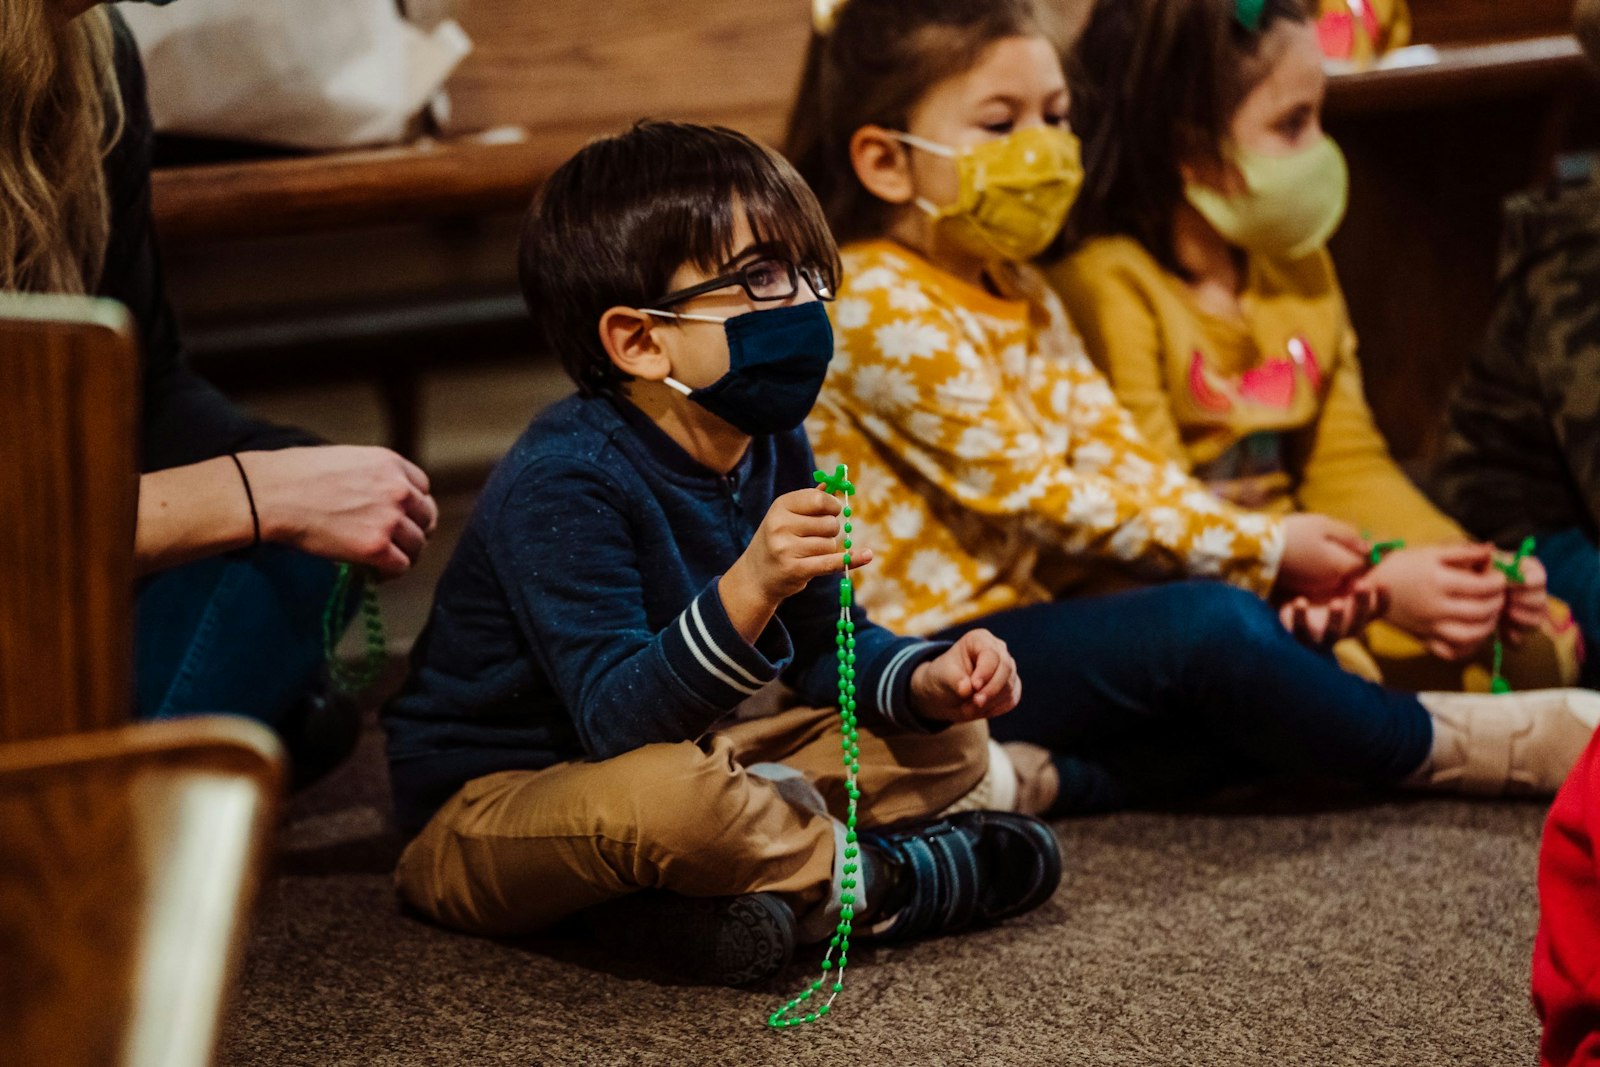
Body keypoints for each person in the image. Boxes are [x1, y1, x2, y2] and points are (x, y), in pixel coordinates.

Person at [789, 0, 1599, 817]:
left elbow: (1120, 460)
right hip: (921, 652)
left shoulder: (1018, 286)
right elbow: (1039, 494)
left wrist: (1316, 567)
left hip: (1023, 627)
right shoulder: (874, 301)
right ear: (887, 163)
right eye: (1002, 123)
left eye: (1058, 116)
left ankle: (1038, 781)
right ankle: (1454, 744)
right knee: (1213, 631)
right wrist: (1267, 548)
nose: (1043, 146)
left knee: (1268, 670)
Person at [382, 120, 1061, 987]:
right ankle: (882, 882)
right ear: (639, 340)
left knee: (953, 745)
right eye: (760, 280)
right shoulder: (563, 477)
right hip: (492, 808)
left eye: (805, 274)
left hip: (686, 760)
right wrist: (752, 583)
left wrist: (931, 681)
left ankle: (685, 910)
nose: (804, 303)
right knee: (677, 802)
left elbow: (826, 648)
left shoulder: (771, 439)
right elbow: (618, 723)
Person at [1050, 0, 1579, 694]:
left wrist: (1462, 568)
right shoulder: (1105, 283)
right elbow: (1151, 522)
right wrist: (1380, 587)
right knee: (1320, 671)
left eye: (1320, 116)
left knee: (1543, 644)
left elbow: (1348, 465)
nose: (1323, 150)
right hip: (1190, 582)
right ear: (1193, 149)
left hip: (1320, 564)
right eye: (1293, 124)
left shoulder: (1296, 265)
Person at [3, 0, 439, 781]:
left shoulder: (97, 58)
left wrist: (298, 472)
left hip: (45, 542)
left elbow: (150, 390)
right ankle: (90, 836)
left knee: (313, 529)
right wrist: (249, 490)